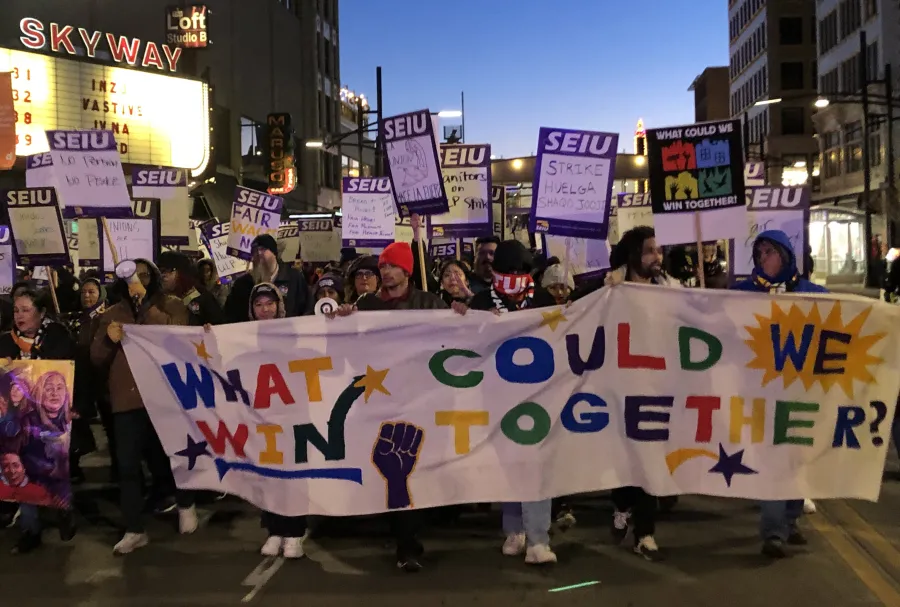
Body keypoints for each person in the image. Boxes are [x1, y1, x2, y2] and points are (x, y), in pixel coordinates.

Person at [332, 242, 448, 572]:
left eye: (391, 266)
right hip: (379, 399)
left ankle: (410, 536)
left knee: (413, 467)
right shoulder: (366, 305)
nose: (385, 272)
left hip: (420, 397)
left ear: (407, 271)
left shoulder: (428, 303)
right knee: (393, 466)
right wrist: (343, 322)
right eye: (382, 266)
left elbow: (456, 338)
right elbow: (349, 352)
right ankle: (404, 540)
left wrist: (463, 314)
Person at [732, 229, 828, 558]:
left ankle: (789, 520)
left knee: (797, 459)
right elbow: (709, 315)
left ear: (786, 256)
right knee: (773, 459)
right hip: (762, 394)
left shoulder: (810, 293)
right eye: (759, 254)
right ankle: (773, 531)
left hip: (802, 392)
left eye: (770, 253)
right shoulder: (743, 293)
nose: (764, 260)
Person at [91, 258, 191, 555]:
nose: (139, 280)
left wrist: (146, 308)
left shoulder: (170, 305)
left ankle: (185, 503)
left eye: (145, 276)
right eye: (134, 276)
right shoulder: (111, 314)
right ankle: (134, 528)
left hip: (164, 395)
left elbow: (179, 336)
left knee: (174, 455)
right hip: (127, 400)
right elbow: (96, 358)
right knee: (128, 465)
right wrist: (108, 341)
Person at [466, 240, 557, 565]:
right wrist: (467, 318)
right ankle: (515, 531)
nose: (516, 278)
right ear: (495, 273)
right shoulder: (479, 301)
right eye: (509, 272)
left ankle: (538, 538)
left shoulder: (545, 300)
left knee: (536, 466)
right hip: (497, 398)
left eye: (521, 271)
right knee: (507, 465)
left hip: (539, 398)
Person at [604, 226, 676, 562]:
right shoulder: (610, 289)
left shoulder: (672, 290)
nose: (657, 257)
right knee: (624, 457)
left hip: (657, 388)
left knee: (649, 458)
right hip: (620, 388)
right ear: (634, 254)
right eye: (650, 250)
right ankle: (622, 505)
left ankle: (645, 533)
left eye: (659, 250)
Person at [0, 288, 77, 554]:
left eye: (25, 310)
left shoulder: (57, 337)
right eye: (16, 310)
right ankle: (30, 530)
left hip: (52, 417)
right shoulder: (5, 341)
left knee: (52, 468)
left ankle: (63, 510)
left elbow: (70, 372)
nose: (19, 316)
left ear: (41, 312)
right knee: (23, 471)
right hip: (18, 418)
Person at [243, 283, 308, 559]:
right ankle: (273, 529)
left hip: (293, 416)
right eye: (259, 305)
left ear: (280, 306)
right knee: (267, 474)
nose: (265, 309)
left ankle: (294, 532)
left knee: (292, 476)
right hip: (263, 417)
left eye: (270, 303)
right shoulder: (242, 336)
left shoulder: (295, 333)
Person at [224, 234, 311, 323]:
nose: (258, 253)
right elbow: (229, 317)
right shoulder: (242, 285)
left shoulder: (294, 278)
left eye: (263, 249)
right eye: (255, 251)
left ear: (274, 253)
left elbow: (308, 309)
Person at [158, 252, 226, 327]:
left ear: (181, 272)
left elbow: (219, 325)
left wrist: (209, 328)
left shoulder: (201, 297)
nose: (163, 276)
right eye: (160, 271)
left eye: (167, 270)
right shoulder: (156, 298)